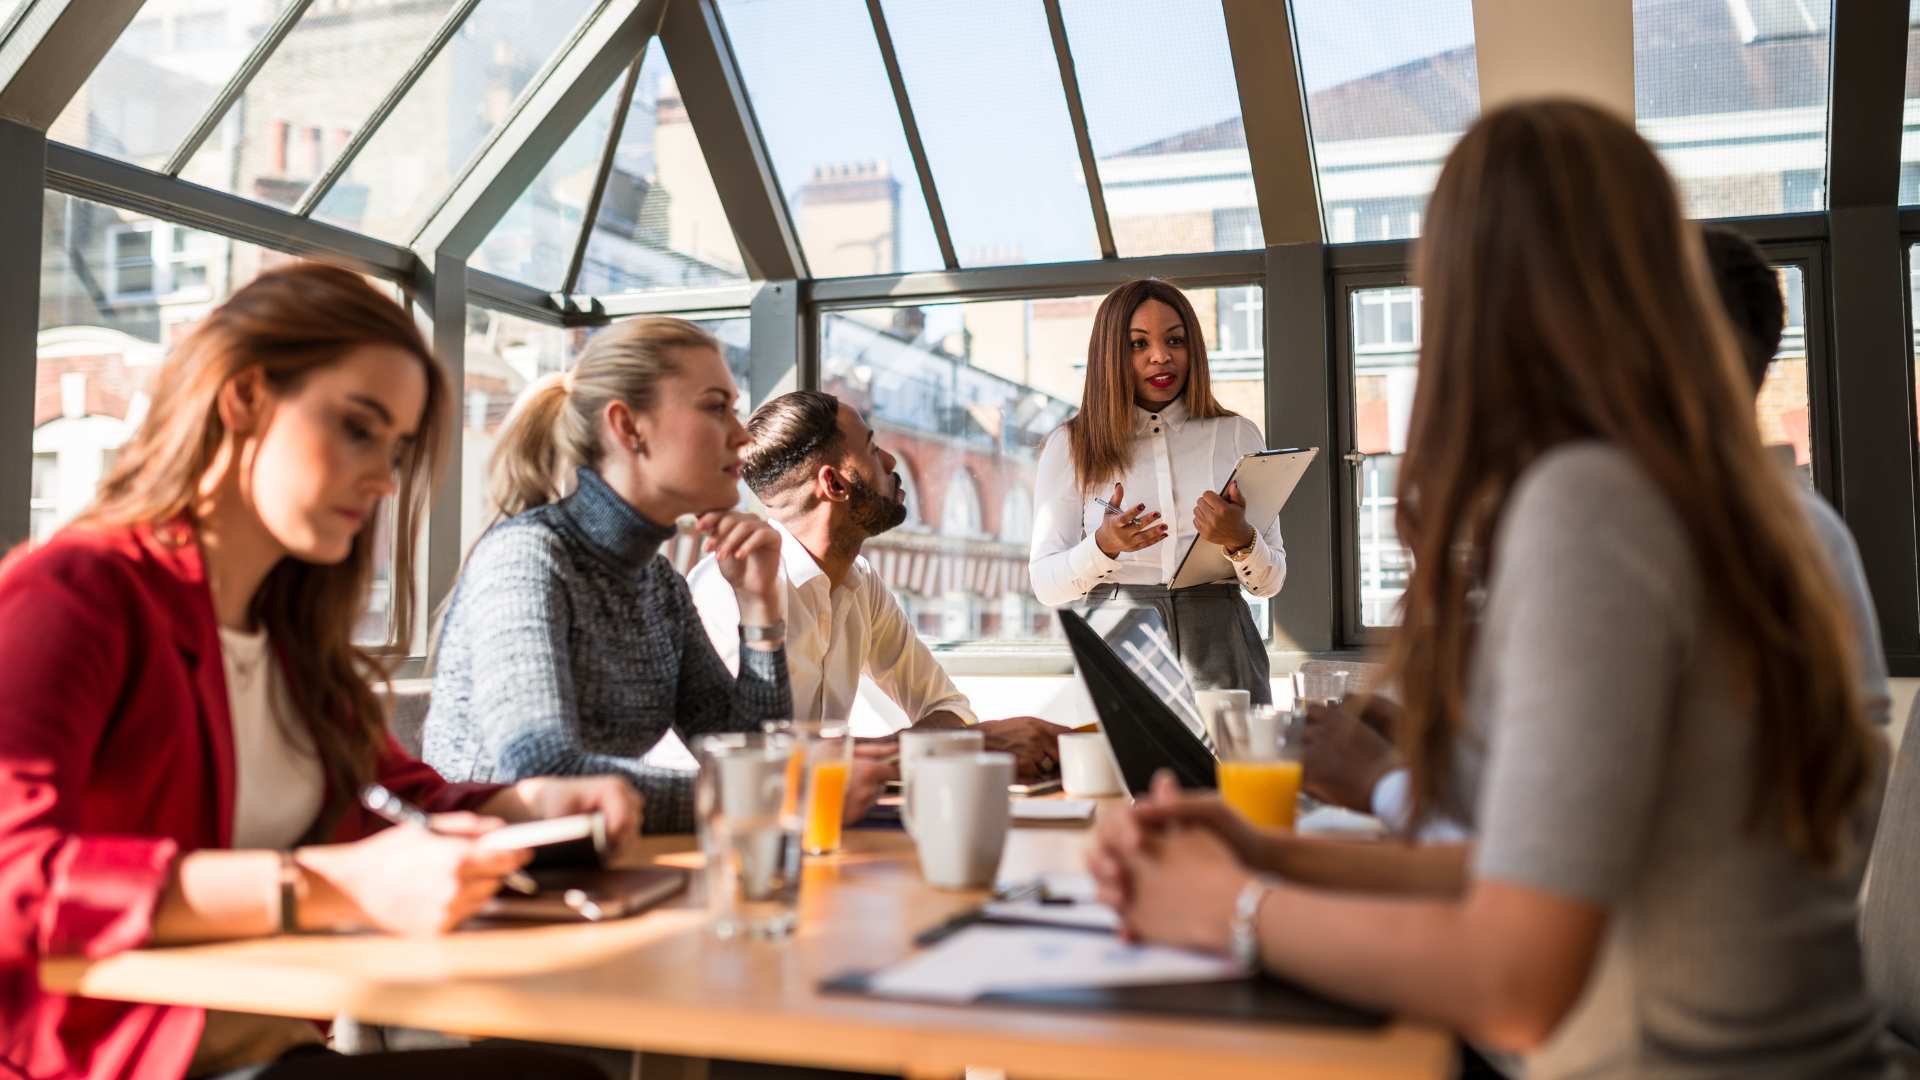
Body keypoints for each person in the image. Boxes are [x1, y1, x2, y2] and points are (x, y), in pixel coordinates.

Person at [1088, 101, 1898, 1078]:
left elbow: (1515, 981)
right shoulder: (1748, 505)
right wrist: (1270, 854)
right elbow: (1527, 872)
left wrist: (1228, 908)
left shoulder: (1597, 502)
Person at [0, 263, 636, 1080]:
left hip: (274, 1049)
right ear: (245, 399)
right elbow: (16, 873)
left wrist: (527, 806)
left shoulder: (290, 632)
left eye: (396, 449)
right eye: (357, 428)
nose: (381, 477)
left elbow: (386, 804)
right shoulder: (75, 591)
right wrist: (320, 887)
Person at [1302, 224, 1895, 833]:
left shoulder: (1634, 531)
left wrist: (1382, 783)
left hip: (1641, 925)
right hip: (1768, 912)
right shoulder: (1813, 532)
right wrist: (1419, 749)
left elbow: (1553, 858)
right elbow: (1646, 783)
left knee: (1304, 845)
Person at [422, 317, 793, 834]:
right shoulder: (527, 556)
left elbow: (746, 750)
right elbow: (545, 773)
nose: (741, 434)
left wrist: (760, 606)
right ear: (628, 427)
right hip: (490, 884)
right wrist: (758, 799)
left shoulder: (659, 583)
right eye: (716, 406)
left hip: (598, 869)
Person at [687, 391, 1069, 779]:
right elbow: (749, 765)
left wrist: (921, 750)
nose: (890, 461)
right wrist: (966, 745)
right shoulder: (729, 590)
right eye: (872, 449)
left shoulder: (860, 582)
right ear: (834, 484)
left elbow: (947, 707)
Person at [1030, 278, 1284, 702]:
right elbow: (1045, 583)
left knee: (1234, 769)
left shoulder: (1238, 435)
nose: (1160, 356)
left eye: (1175, 340)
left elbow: (1270, 582)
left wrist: (1240, 540)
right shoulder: (1071, 445)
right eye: (1137, 344)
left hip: (1224, 640)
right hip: (1118, 642)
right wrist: (1103, 546)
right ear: (1110, 355)